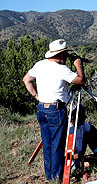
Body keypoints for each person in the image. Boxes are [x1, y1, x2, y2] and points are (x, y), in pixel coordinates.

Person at [22, 39, 86, 181]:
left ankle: (50, 176)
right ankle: (56, 179)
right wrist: (78, 65)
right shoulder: (61, 69)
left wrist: (36, 96)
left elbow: (26, 79)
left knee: (48, 145)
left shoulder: (40, 65)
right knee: (57, 146)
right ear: (62, 54)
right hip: (55, 111)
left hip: (42, 109)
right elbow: (81, 80)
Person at [69, 104, 97, 171]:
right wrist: (75, 157)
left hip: (79, 154)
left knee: (89, 134)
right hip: (69, 158)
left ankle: (96, 152)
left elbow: (92, 129)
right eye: (82, 116)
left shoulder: (82, 125)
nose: (84, 118)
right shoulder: (68, 130)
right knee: (81, 166)